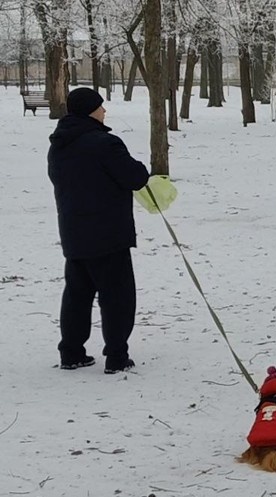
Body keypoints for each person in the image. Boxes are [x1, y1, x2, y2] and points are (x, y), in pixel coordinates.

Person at [47, 87, 150, 374]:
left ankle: (71, 352)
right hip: (108, 234)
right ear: (91, 110)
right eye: (100, 107)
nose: (104, 112)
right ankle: (117, 355)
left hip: (74, 232)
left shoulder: (59, 144)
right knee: (117, 296)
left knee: (77, 294)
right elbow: (136, 176)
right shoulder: (104, 144)